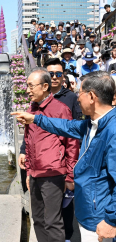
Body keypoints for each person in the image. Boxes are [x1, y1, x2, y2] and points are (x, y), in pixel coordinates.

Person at [12, 71, 116, 242]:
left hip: (101, 218)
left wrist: (112, 220)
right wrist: (35, 119)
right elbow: (64, 126)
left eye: (79, 93)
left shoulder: (112, 130)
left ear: (91, 96)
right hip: (90, 213)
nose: (77, 98)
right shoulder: (91, 124)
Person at [16, 67, 79, 242]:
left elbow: (72, 144)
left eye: (31, 86)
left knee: (53, 221)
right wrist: (28, 171)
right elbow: (29, 141)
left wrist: (70, 177)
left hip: (54, 174)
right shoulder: (32, 108)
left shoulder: (61, 109)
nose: (28, 90)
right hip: (35, 173)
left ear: (44, 86)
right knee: (38, 220)